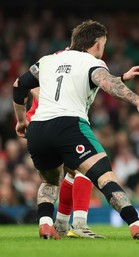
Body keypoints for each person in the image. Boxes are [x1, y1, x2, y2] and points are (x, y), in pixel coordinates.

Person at [12, 19, 139, 240]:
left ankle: (46, 224)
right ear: (96, 43)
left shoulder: (48, 60)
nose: (103, 49)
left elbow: (19, 85)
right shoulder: (90, 61)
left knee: (49, 181)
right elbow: (105, 83)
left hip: (38, 128)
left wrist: (20, 121)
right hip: (69, 125)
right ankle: (136, 224)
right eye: (103, 44)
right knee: (104, 175)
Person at [27, 87, 103, 238]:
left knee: (68, 173)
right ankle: (79, 224)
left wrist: (123, 77)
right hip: (51, 123)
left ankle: (60, 224)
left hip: (40, 125)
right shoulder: (54, 66)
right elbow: (32, 87)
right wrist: (58, 106)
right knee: (85, 166)